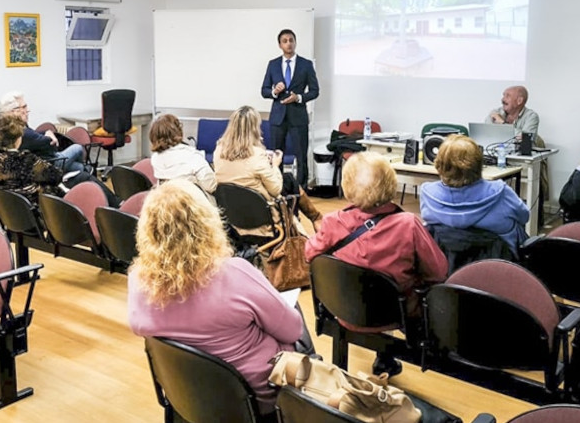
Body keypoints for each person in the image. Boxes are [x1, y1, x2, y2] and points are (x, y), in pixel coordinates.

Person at [127, 180, 306, 417]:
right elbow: (292, 331)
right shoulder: (235, 273)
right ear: (207, 222)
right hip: (258, 398)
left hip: (186, 394)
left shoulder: (138, 281)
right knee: (297, 319)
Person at [305, 152, 448, 377]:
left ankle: (381, 358)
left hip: (342, 309)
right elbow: (438, 272)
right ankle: (385, 359)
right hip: (396, 315)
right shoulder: (409, 224)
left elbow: (310, 254)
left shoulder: (332, 221)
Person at [213, 105, 322, 235]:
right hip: (260, 217)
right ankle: (315, 218)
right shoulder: (257, 155)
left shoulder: (219, 150)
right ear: (254, 128)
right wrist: (275, 164)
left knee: (288, 180)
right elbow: (276, 189)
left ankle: (314, 218)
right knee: (289, 183)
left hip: (233, 213)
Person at [419, 135, 529, 254]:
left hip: (446, 262)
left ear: (440, 164)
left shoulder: (427, 193)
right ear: (478, 163)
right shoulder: (501, 192)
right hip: (499, 262)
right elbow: (524, 217)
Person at [260, 29, 319, 188]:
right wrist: (274, 91)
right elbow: (264, 90)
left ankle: (301, 190)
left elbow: (315, 91)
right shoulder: (273, 64)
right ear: (280, 45)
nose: (289, 44)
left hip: (298, 116)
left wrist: (298, 97)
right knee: (277, 156)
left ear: (295, 42)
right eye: (285, 41)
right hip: (278, 118)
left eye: (291, 40)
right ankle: (278, 188)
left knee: (301, 156)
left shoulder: (306, 64)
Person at [0, 112, 64, 199]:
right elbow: (56, 176)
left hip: (7, 205)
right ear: (16, 138)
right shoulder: (25, 159)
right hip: (37, 204)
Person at [0, 91, 86, 175]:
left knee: (78, 167)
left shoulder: (4, 128)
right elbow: (50, 144)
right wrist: (49, 137)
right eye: (24, 107)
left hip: (34, 165)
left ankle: (82, 172)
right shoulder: (22, 132)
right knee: (77, 148)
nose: (28, 110)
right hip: (46, 165)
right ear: (13, 111)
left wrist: (47, 132)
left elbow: (35, 135)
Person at [148, 113, 216, 194]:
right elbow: (210, 186)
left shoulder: (155, 158)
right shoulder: (193, 156)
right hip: (191, 200)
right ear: (178, 131)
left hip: (165, 199)